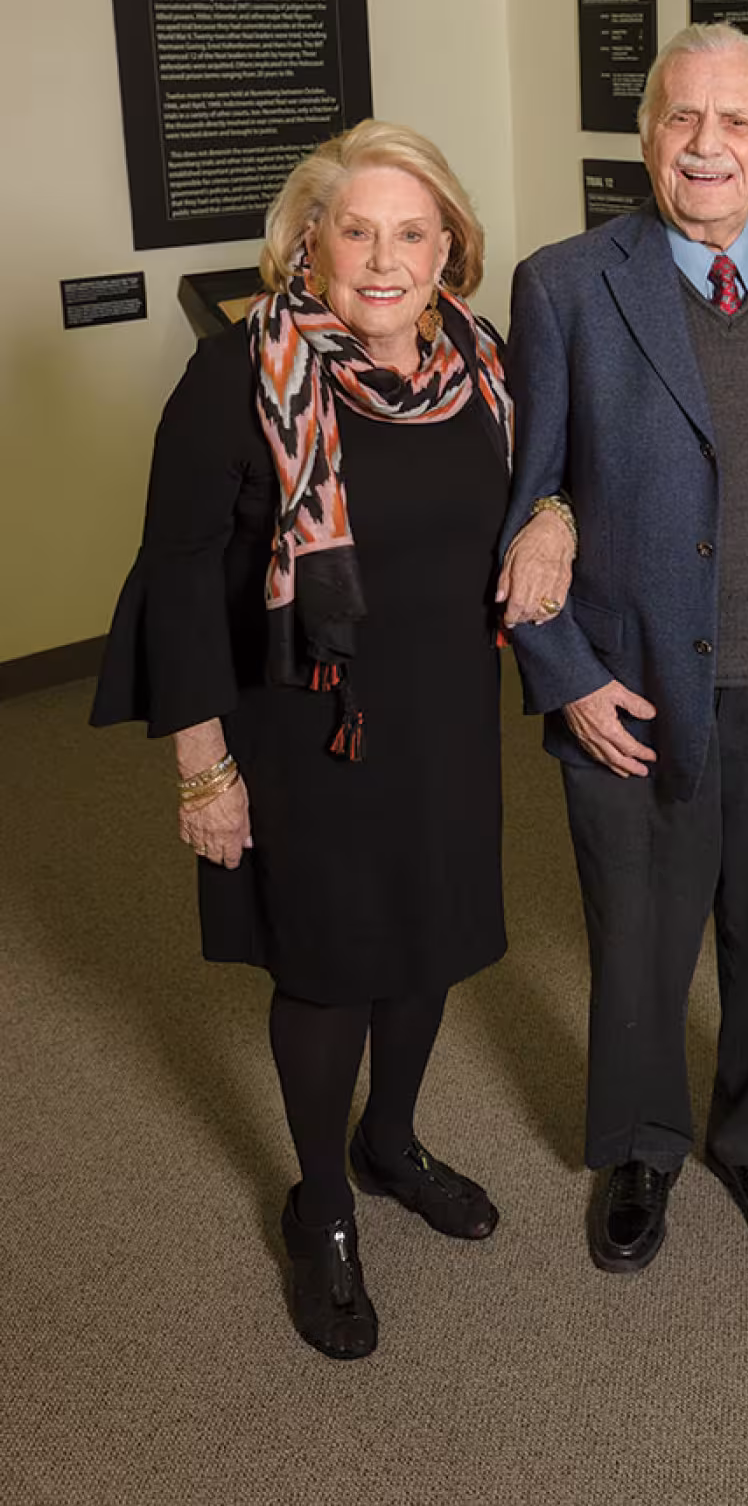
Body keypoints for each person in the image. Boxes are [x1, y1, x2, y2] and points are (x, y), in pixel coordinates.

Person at [92, 121, 567, 1360]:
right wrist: (203, 768)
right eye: (355, 229)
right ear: (308, 241)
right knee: (327, 967)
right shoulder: (237, 375)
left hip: (444, 717)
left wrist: (554, 512)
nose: (383, 257)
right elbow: (180, 582)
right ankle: (323, 1204)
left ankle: (391, 1139)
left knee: (427, 946)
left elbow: (535, 483)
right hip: (306, 723)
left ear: (448, 247)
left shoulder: (482, 361)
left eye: (412, 232)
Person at [502, 23, 748, 1272]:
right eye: (680, 120)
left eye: (733, 124)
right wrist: (561, 677)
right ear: (645, 137)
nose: (705, 147)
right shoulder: (566, 282)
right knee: (641, 935)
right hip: (635, 684)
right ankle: (643, 1144)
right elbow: (527, 490)